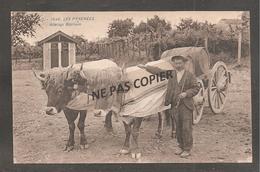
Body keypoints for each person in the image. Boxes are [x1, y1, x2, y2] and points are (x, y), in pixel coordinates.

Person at [138, 55, 199, 158]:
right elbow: (158, 71)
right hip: (175, 105)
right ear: (173, 64)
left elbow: (196, 88)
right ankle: (180, 146)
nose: (178, 65)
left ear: (184, 64)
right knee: (178, 126)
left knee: (186, 127)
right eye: (176, 63)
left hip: (186, 106)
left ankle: (187, 149)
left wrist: (186, 93)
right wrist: (145, 67)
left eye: (180, 63)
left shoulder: (190, 76)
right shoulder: (171, 74)